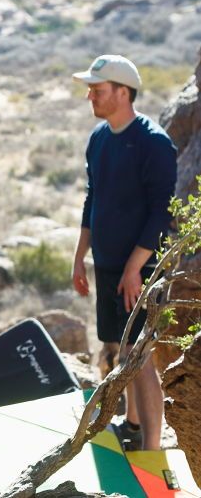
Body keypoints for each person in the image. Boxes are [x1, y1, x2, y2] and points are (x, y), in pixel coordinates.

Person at [71, 54, 177, 450]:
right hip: (109, 265)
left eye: (97, 90)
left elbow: (160, 213)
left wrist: (136, 269)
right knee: (120, 349)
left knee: (139, 357)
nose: (90, 97)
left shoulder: (153, 142)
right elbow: (92, 198)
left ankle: (151, 449)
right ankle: (131, 425)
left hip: (143, 268)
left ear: (122, 92)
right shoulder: (99, 138)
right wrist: (80, 256)